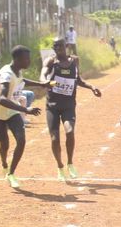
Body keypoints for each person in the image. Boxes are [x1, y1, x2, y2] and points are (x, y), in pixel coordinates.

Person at [41, 37, 102, 181]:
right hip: (52, 106)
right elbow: (43, 74)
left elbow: (78, 80)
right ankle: (60, 167)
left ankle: (70, 163)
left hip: (68, 105)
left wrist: (92, 87)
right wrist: (45, 81)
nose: (58, 49)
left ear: (66, 46)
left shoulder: (74, 61)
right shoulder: (51, 62)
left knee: (69, 132)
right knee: (55, 138)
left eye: (60, 46)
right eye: (55, 47)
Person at [0, 45, 47, 188]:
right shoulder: (6, 74)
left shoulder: (17, 71)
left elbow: (23, 81)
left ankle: (11, 173)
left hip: (13, 112)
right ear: (18, 59)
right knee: (4, 145)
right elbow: (2, 99)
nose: (29, 61)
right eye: (27, 59)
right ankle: (4, 163)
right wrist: (25, 109)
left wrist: (42, 84)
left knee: (21, 140)